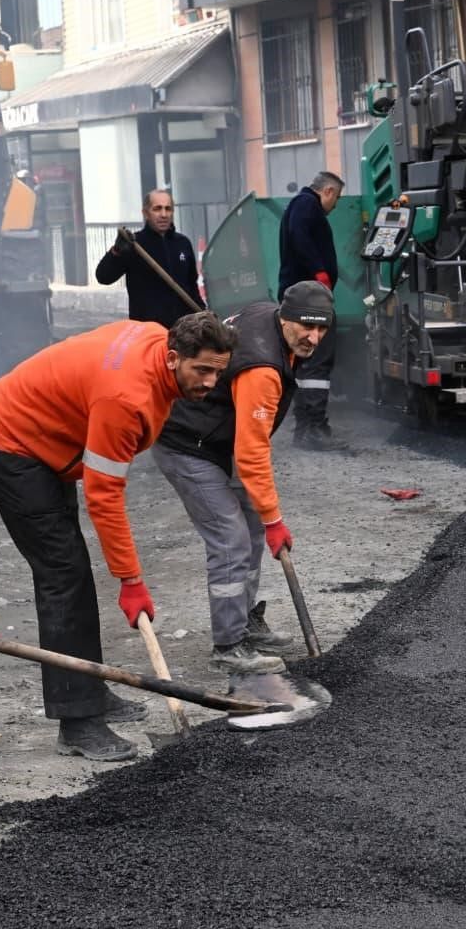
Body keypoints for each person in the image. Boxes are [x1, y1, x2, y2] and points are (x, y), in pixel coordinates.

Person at [0, 313, 237, 761]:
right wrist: (131, 581)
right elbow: (104, 496)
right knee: (62, 573)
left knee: (71, 568)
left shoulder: (155, 337)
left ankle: (89, 686)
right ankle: (78, 722)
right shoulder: (124, 400)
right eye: (202, 371)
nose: (210, 382)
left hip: (48, 435)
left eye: (218, 372)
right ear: (173, 358)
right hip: (10, 443)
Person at [154, 282, 335, 676]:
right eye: (306, 327)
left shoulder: (266, 315)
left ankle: (245, 620)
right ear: (285, 317)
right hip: (189, 445)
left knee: (250, 528)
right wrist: (275, 520)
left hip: (220, 439)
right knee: (231, 540)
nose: (314, 337)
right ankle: (228, 645)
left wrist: (264, 518)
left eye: (322, 329)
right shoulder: (263, 369)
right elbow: (251, 452)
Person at [277, 171, 346, 451]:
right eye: (337, 198)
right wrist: (320, 272)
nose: (336, 205)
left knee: (304, 361)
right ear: (328, 191)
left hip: (302, 294)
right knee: (319, 358)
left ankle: (306, 428)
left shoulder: (298, 205)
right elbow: (300, 236)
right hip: (309, 296)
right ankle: (314, 428)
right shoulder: (307, 204)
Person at [95, 189, 204, 328]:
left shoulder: (183, 243)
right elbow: (103, 277)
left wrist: (203, 314)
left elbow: (192, 288)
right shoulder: (134, 245)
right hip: (147, 332)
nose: (164, 214)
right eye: (157, 209)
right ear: (145, 213)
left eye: (168, 209)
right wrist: (116, 252)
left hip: (182, 333)